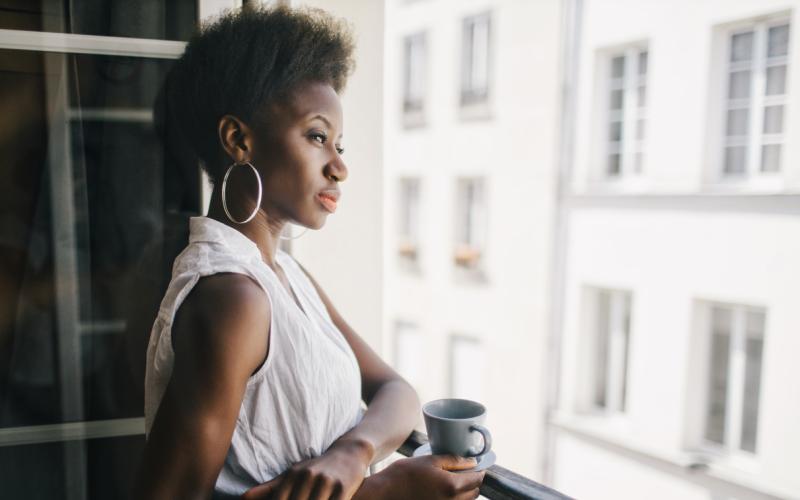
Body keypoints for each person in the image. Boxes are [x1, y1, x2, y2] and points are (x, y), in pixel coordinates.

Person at [133, 5, 486, 499]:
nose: (339, 167)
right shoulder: (232, 298)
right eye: (318, 137)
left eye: (340, 144)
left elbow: (396, 391)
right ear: (238, 140)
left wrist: (354, 452)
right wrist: (378, 493)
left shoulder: (283, 276)